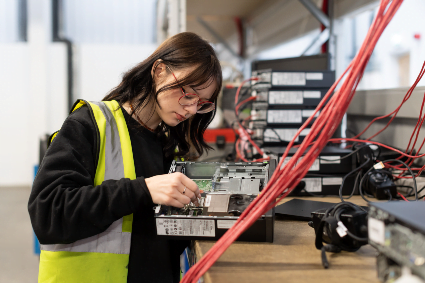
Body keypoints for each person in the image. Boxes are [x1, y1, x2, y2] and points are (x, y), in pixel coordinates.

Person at [28, 32, 222, 283]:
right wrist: (142, 190)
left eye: (202, 103)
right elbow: (48, 213)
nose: (193, 109)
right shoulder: (90, 125)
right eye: (188, 94)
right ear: (159, 70)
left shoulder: (165, 147)